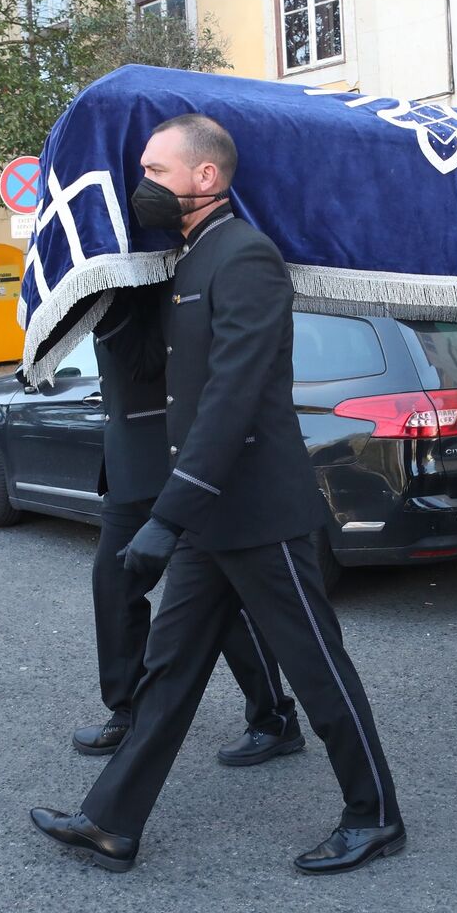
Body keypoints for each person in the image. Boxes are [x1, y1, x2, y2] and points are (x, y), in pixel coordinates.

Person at [31, 114, 404, 874]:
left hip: (259, 513)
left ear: (207, 177)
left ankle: (376, 815)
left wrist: (166, 518)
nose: (144, 187)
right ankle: (111, 821)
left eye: (157, 172)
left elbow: (232, 397)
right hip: (208, 516)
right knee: (168, 672)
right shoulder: (186, 264)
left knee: (317, 668)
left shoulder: (246, 258)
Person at [73, 284, 305, 767]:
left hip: (175, 468)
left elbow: (147, 362)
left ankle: (273, 717)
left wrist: (104, 306)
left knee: (215, 603)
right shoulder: (114, 287)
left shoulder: (161, 288)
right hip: (127, 467)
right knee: (113, 588)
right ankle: (127, 709)